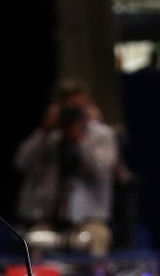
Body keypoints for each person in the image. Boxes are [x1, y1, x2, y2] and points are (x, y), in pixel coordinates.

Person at [13, 81, 117, 254]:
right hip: (50, 218)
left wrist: (80, 139)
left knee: (99, 236)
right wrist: (44, 131)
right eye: (67, 108)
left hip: (89, 219)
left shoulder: (101, 135)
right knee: (32, 239)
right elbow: (21, 163)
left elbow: (103, 171)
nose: (71, 114)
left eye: (77, 108)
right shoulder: (50, 137)